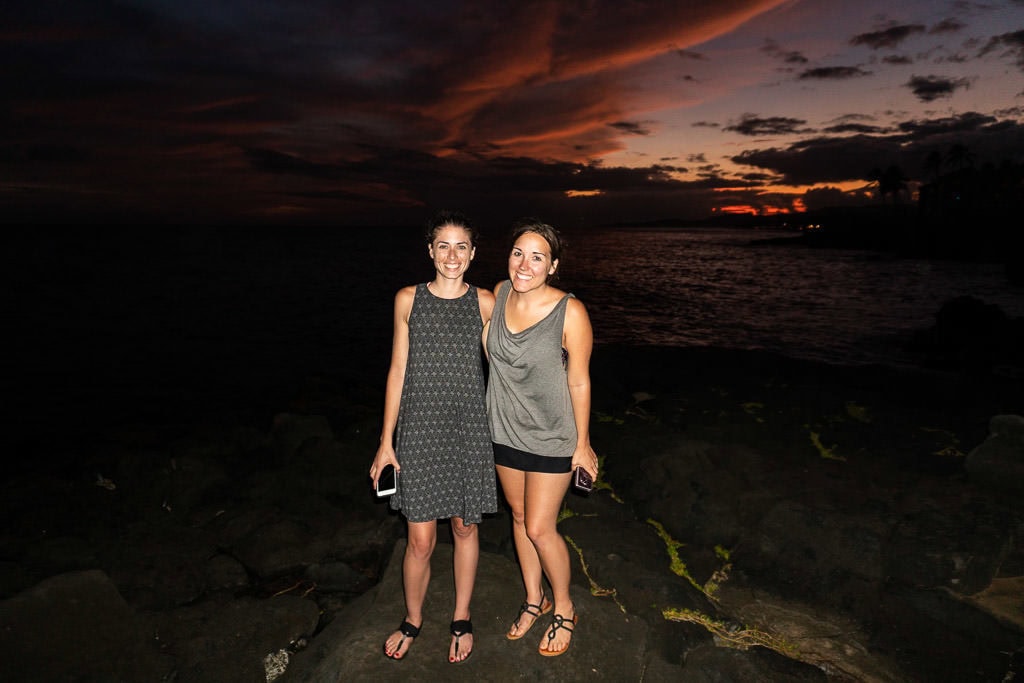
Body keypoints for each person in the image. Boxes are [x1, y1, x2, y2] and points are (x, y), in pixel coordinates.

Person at [369, 211, 497, 664]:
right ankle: (413, 618)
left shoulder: (485, 302)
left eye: (461, 246)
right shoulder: (408, 299)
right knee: (419, 540)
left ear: (473, 253)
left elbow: (506, 357)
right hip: (420, 428)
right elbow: (397, 370)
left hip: (467, 428)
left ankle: (461, 617)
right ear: (429, 251)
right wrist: (386, 441)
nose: (452, 255)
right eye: (443, 245)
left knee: (464, 526)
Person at [483, 218, 599, 657]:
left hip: (552, 435)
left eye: (537, 257)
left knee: (539, 526)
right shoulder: (499, 293)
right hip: (504, 429)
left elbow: (580, 382)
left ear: (553, 266)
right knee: (516, 517)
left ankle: (565, 608)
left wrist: (582, 444)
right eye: (518, 253)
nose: (524, 265)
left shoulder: (571, 311)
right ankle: (535, 599)